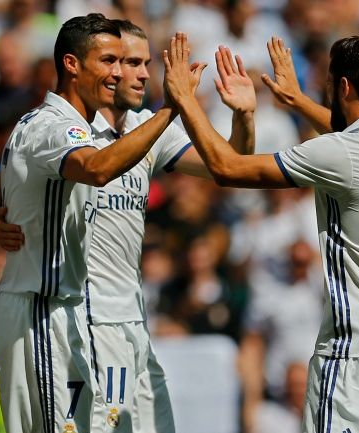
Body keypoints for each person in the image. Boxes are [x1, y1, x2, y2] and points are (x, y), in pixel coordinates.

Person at [163, 33, 359, 433]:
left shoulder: (341, 154)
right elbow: (354, 142)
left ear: (343, 86)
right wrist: (294, 99)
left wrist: (185, 100)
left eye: (329, 84)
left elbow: (226, 168)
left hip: (357, 352)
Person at [0, 13, 204, 433]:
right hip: (44, 311)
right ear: (72, 65)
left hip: (68, 313)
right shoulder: (54, 128)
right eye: (109, 60)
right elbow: (96, 169)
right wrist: (173, 107)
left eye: (125, 62)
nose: (118, 73)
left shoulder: (68, 126)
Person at [79, 19, 255, 433]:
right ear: (106, 68)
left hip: (132, 319)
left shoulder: (148, 125)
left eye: (146, 63)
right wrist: (173, 107)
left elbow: (230, 166)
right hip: (84, 319)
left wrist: (244, 116)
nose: (144, 74)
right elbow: (98, 169)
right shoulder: (68, 130)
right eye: (131, 63)